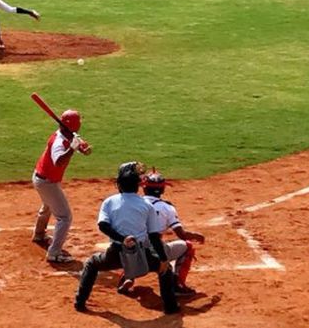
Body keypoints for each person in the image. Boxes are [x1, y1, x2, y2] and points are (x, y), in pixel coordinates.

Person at [74, 162, 179, 315]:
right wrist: (163, 259)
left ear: (119, 184)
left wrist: (122, 238)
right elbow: (154, 236)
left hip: (116, 253)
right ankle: (171, 307)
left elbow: (103, 226)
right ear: (138, 185)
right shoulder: (146, 205)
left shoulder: (109, 201)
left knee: (92, 264)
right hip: (143, 256)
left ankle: (79, 303)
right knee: (166, 270)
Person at [118, 170, 205, 296]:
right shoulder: (167, 208)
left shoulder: (133, 203)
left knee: (130, 246)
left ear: (143, 187)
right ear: (163, 189)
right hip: (156, 251)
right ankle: (177, 285)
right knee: (187, 246)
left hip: (131, 248)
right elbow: (182, 235)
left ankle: (128, 277)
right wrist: (196, 235)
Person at [32, 109, 92, 263]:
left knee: (48, 206)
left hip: (43, 179)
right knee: (64, 217)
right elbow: (58, 161)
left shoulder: (67, 133)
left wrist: (82, 148)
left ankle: (39, 234)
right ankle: (54, 253)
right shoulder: (59, 142)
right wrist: (72, 148)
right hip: (47, 182)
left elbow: (75, 140)